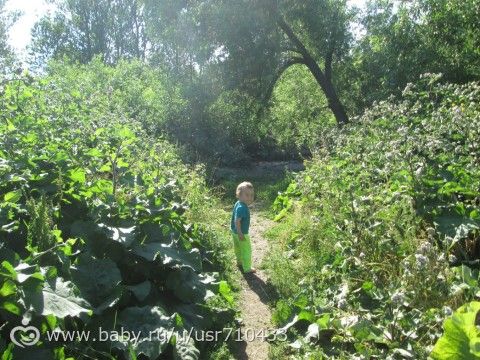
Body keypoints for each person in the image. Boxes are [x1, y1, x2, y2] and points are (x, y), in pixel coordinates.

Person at [230, 181, 256, 273]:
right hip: (241, 233)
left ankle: (239, 262)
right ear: (239, 195)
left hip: (234, 232)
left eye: (252, 195)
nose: (250, 197)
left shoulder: (239, 203)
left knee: (237, 248)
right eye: (247, 195)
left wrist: (237, 232)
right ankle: (247, 268)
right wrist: (240, 233)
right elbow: (237, 221)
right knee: (246, 250)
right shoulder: (242, 208)